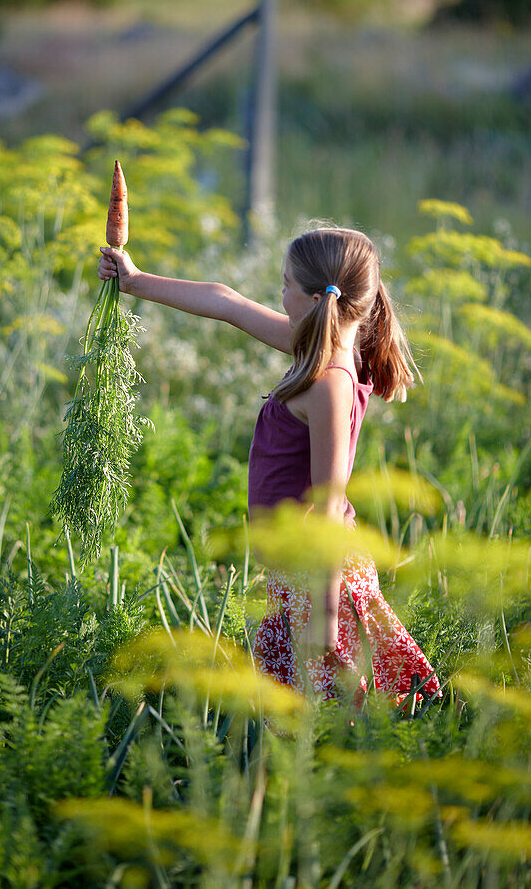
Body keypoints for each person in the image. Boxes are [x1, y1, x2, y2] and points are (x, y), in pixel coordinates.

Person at [98, 225, 440, 709]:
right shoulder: (323, 349)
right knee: (303, 716)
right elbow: (228, 303)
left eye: (284, 285)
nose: (278, 295)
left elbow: (327, 505)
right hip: (297, 573)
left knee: (331, 718)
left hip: (318, 577)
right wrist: (134, 281)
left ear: (320, 299)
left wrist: (323, 616)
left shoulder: (328, 383)